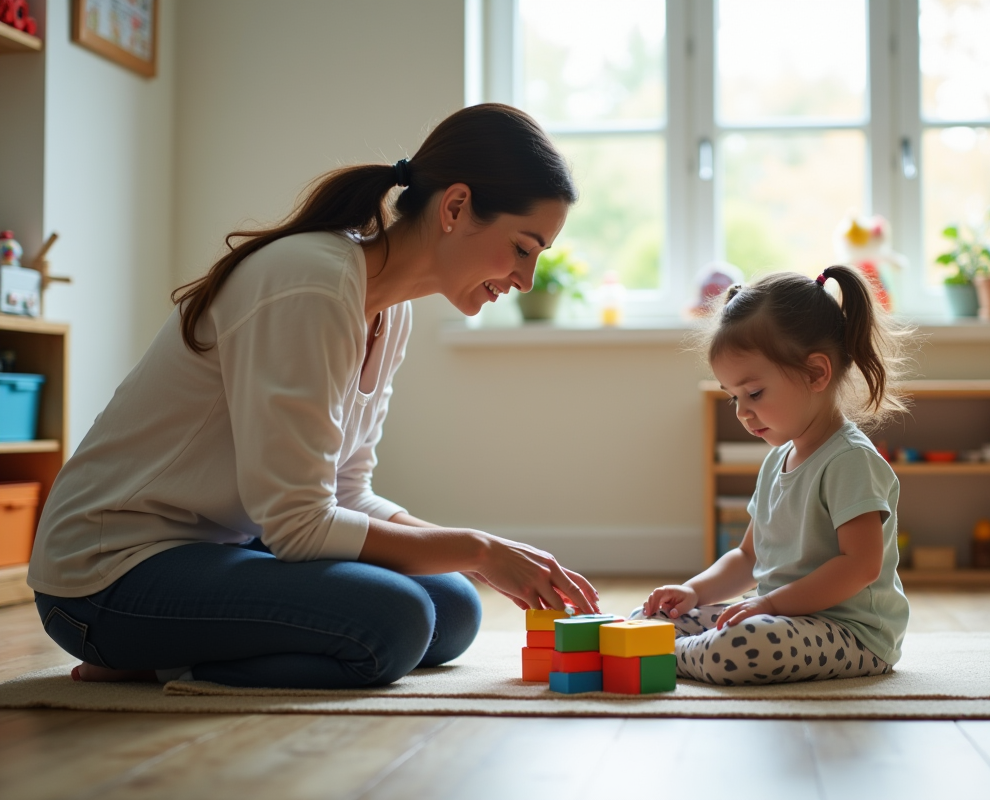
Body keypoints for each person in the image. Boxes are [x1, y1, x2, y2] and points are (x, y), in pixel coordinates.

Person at [27, 103, 600, 689]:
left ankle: (172, 649)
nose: (526, 281)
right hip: (107, 577)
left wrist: (478, 556)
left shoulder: (388, 310)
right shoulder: (310, 282)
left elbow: (346, 491)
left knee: (453, 608)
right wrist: (478, 549)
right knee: (397, 621)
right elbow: (299, 526)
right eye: (523, 248)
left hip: (216, 548)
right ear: (455, 207)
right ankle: (142, 658)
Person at [639, 266, 911, 685]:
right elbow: (748, 557)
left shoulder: (850, 460)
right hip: (779, 616)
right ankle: (660, 643)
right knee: (652, 616)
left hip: (850, 634)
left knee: (741, 644)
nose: (742, 412)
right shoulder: (777, 459)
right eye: (733, 397)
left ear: (816, 373)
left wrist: (771, 607)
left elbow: (861, 567)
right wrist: (693, 591)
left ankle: (658, 654)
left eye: (755, 393)